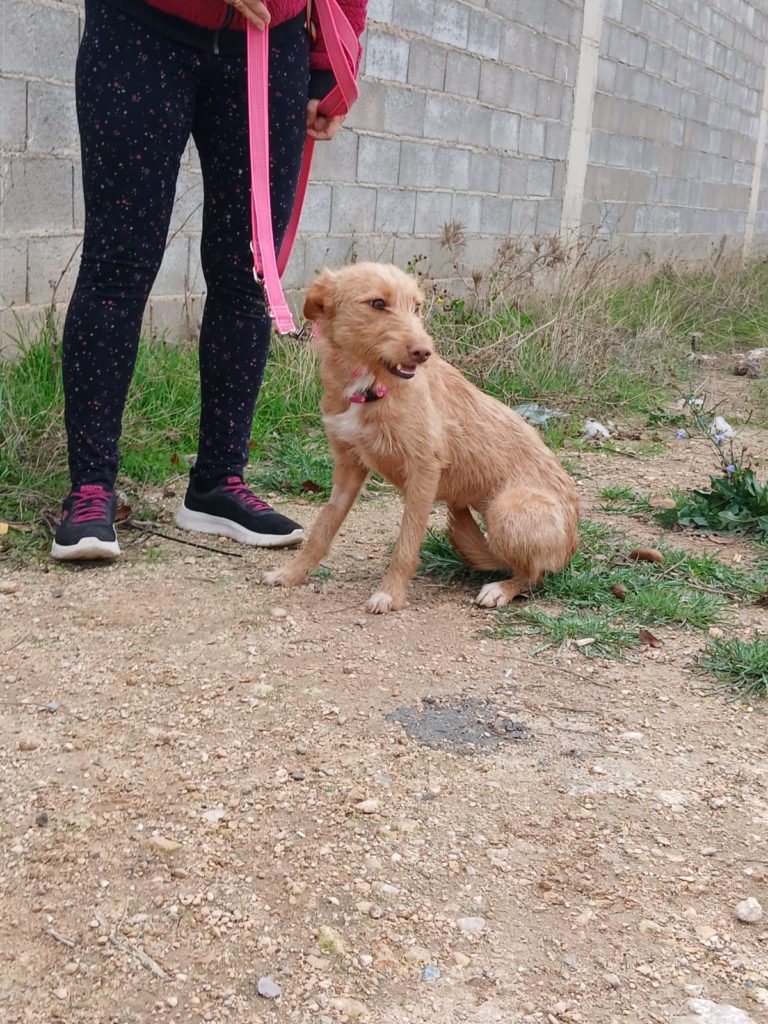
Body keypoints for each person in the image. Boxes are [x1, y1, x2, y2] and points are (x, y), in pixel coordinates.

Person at [51, 0, 367, 560]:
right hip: (140, 28)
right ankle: (91, 488)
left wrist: (327, 63)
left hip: (271, 44)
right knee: (117, 263)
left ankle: (218, 483)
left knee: (248, 271)